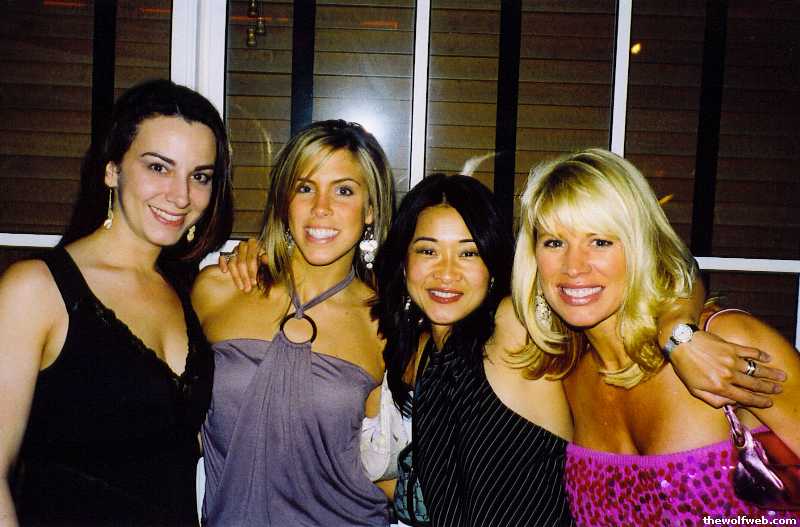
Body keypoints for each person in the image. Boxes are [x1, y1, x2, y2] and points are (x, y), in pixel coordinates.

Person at [370, 170, 788, 527]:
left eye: (469, 252)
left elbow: (676, 264)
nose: (446, 273)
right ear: (403, 261)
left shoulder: (516, 329)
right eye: (427, 250)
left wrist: (678, 331)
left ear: (494, 263)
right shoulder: (427, 353)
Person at [511, 148, 799, 524]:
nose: (574, 267)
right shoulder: (564, 371)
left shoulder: (727, 341)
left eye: (600, 241)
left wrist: (677, 332)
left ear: (640, 246)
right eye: (554, 242)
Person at [0, 79, 233, 526]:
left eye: (200, 176)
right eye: (159, 167)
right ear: (112, 170)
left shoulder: (185, 292)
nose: (181, 195)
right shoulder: (37, 289)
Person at [193, 119, 395, 526]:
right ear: (285, 200)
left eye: (343, 190)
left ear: (370, 210)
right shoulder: (217, 290)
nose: (321, 207)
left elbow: (386, 470)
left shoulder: (386, 325)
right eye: (305, 188)